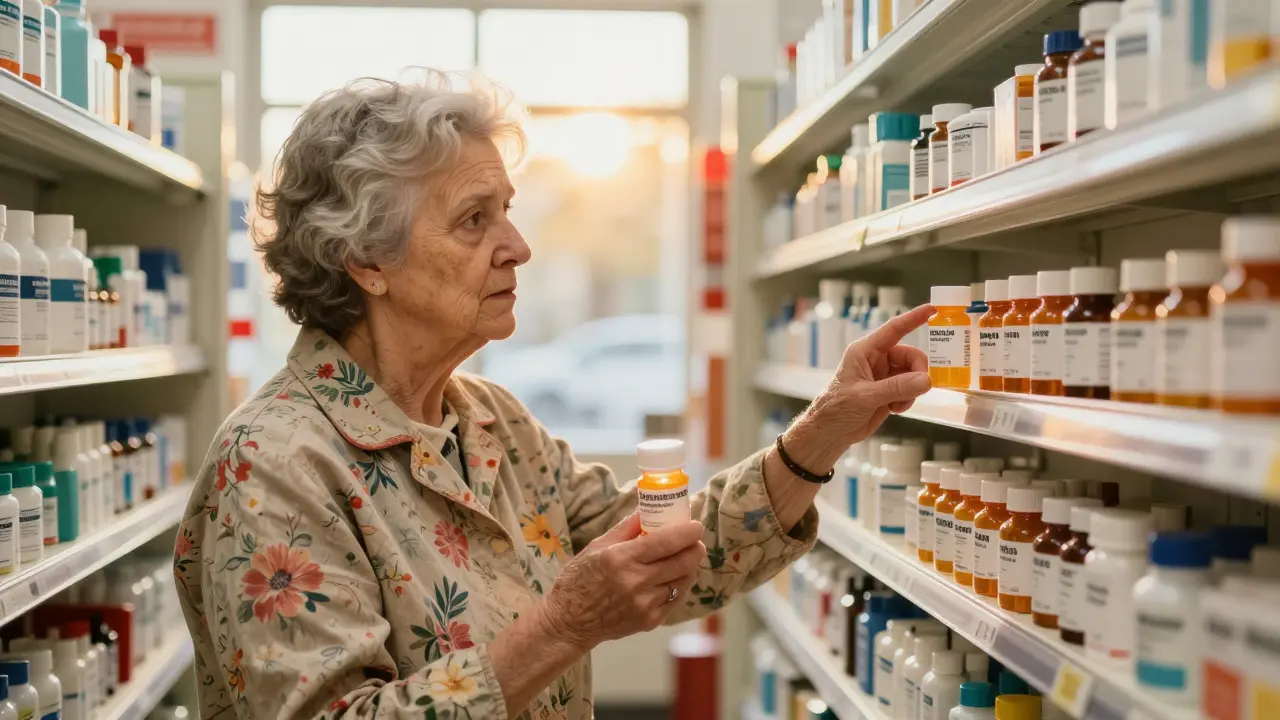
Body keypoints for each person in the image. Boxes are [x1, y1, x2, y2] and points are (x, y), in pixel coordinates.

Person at [173, 70, 933, 720]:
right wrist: (563, 626)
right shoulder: (273, 466)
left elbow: (673, 555)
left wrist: (824, 433)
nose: (518, 246)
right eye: (475, 219)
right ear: (367, 259)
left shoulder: (492, 423)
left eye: (506, 209)